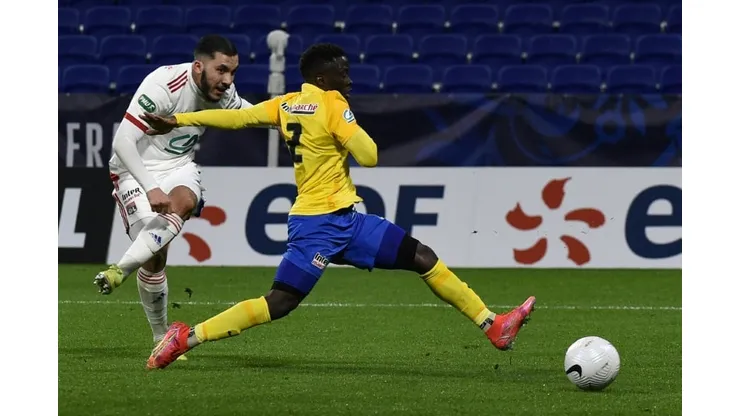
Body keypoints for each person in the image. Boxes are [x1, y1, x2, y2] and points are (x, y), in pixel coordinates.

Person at [140, 44, 536, 370]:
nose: (348, 79)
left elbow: (237, 118)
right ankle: (185, 338)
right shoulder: (332, 103)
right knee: (279, 302)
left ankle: (492, 324)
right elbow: (370, 157)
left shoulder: (286, 105)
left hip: (347, 220)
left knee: (422, 256)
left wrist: (177, 119)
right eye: (342, 73)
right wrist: (347, 125)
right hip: (317, 226)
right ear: (321, 78)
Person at [94, 35, 253, 358]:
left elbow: (250, 114)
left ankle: (120, 270)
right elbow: (123, 142)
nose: (227, 80)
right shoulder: (165, 84)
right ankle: (160, 334)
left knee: (185, 202)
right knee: (155, 257)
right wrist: (150, 187)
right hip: (134, 169)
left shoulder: (224, 93)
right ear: (198, 67)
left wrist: (286, 120)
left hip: (178, 166)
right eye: (222, 70)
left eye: (233, 72)